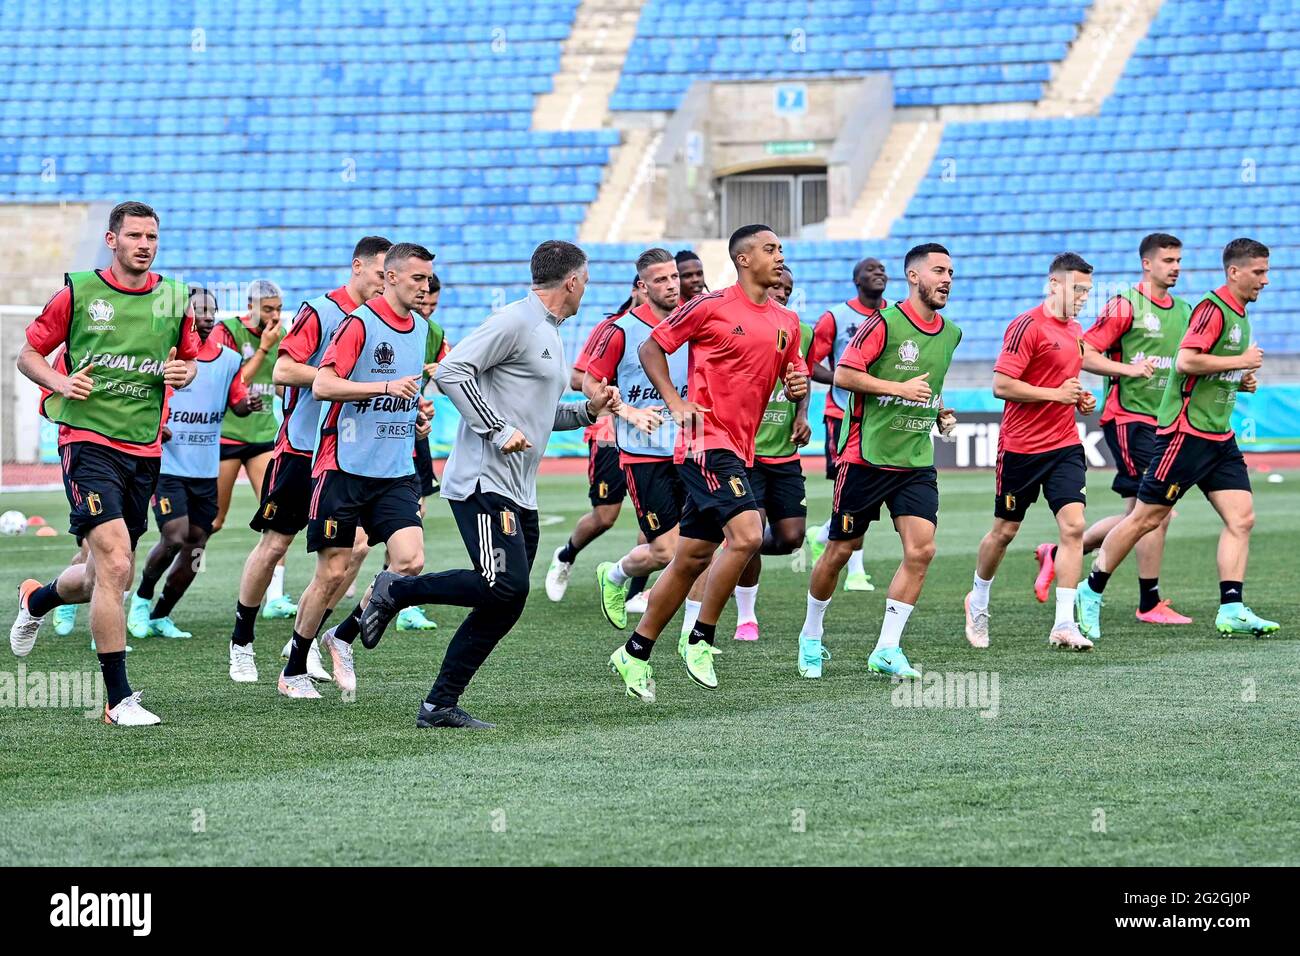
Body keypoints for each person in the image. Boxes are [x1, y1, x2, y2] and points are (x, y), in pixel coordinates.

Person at [357, 240, 620, 728]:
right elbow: (454, 372)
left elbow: (538, 417)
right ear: (573, 281)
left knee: (506, 598)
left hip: (521, 490)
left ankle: (438, 705)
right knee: (504, 585)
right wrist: (497, 429)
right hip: (483, 482)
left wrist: (587, 410)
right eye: (586, 279)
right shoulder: (516, 320)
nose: (587, 287)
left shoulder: (550, 332)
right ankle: (396, 590)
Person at [11, 200, 199, 726]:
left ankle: (38, 599)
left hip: (143, 448)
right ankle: (118, 700)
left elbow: (187, 362)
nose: (145, 244)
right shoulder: (79, 292)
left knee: (100, 576)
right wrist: (59, 381)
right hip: (85, 441)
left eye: (153, 237)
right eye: (135, 235)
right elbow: (27, 355)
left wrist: (183, 375)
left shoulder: (174, 298)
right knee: (117, 565)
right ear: (112, 240)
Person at [606, 224, 809, 703]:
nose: (778, 256)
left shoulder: (787, 320)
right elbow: (650, 346)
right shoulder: (711, 305)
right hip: (703, 441)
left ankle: (634, 652)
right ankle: (700, 638)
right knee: (747, 535)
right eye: (769, 249)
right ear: (742, 259)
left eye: (780, 248)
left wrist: (796, 390)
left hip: (741, 447)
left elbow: (789, 372)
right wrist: (675, 402)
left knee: (691, 557)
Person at [1075, 238, 1278, 640]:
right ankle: (1091, 588)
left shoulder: (1237, 315)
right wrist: (1239, 362)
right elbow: (1187, 360)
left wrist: (1240, 379)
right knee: (1147, 518)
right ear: (1234, 272)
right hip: (1183, 435)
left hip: (1219, 436)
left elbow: (1208, 368)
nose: (1266, 281)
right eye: (1259, 272)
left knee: (1242, 519)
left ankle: (1232, 608)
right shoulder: (1211, 309)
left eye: (1266, 272)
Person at [227, 236, 391, 684]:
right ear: (358, 267)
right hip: (302, 449)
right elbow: (282, 372)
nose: (386, 283)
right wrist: (333, 378)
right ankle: (241, 641)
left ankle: (305, 638)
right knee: (276, 545)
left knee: (355, 548)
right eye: (381, 274)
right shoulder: (320, 311)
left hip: (348, 458)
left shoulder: (386, 321)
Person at [278, 242, 438, 699]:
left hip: (394, 468)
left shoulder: (422, 329)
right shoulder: (357, 324)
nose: (425, 288)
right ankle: (293, 669)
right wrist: (386, 384)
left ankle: (342, 635)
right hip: (343, 466)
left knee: (410, 561)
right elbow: (325, 384)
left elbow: (403, 398)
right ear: (389, 277)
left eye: (428, 280)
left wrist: (418, 415)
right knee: (331, 573)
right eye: (416, 279)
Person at [800, 244, 960, 678]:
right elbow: (847, 375)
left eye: (951, 271)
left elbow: (933, 384)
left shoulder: (952, 333)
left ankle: (887, 649)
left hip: (915, 461)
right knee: (839, 551)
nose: (947, 279)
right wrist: (900, 388)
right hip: (866, 458)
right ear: (913, 276)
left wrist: (940, 411)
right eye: (938, 271)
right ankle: (811, 635)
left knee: (922, 550)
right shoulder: (883, 324)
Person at [1036, 233, 1191, 625]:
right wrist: (1127, 371)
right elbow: (1084, 350)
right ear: (1147, 263)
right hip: (1130, 419)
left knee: (1142, 513)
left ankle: (1058, 553)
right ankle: (1148, 601)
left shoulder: (1186, 310)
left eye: (1178, 260)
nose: (1174, 267)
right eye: (1167, 260)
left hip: (1164, 422)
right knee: (1155, 511)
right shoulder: (1126, 305)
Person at [963, 253, 1097, 652]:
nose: (1083, 297)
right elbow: (1002, 385)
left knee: (1073, 528)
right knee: (1004, 531)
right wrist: (1056, 394)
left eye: (1088, 291)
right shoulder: (1026, 325)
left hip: (1065, 444)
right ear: (1054, 285)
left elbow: (1063, 382)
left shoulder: (1075, 330)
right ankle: (978, 600)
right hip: (1021, 448)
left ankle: (1063, 623)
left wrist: (1078, 398)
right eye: (1078, 289)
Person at [127, 287, 260, 639]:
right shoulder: (163, 354)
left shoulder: (230, 360)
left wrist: (250, 404)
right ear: (183, 315)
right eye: (198, 310)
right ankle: (140, 599)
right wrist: (158, 425)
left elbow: (237, 404)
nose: (206, 317)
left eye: (211, 311)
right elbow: (141, 396)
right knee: (174, 536)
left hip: (205, 471)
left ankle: (161, 615)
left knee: (198, 542)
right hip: (169, 467)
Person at [587, 249, 693, 631]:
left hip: (692, 449)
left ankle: (695, 635)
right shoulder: (621, 330)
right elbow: (589, 381)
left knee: (703, 545)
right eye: (661, 280)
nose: (671, 285)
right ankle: (614, 575)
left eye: (674, 277)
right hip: (643, 454)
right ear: (643, 287)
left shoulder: (695, 322)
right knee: (666, 551)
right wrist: (627, 412)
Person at [544, 278, 649, 605]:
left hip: (653, 434)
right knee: (605, 516)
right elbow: (578, 377)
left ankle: (634, 594)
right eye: (653, 284)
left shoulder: (669, 328)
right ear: (637, 288)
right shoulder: (612, 329)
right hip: (608, 434)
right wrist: (611, 390)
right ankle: (566, 554)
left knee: (655, 515)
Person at [725, 265, 812, 642]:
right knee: (752, 533)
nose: (782, 293)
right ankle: (747, 615)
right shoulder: (743, 324)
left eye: (788, 290)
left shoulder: (798, 329)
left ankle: (727, 557)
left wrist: (803, 414)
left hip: (785, 454)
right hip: (748, 452)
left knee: (792, 537)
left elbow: (802, 376)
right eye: (778, 286)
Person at [211, 278, 299, 619]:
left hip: (264, 435)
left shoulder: (282, 334)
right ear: (251, 307)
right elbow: (236, 382)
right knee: (214, 520)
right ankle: (161, 591)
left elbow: (280, 385)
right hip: (228, 436)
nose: (275, 315)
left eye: (278, 309)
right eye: (268, 309)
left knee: (276, 516)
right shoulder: (229, 331)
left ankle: (274, 597)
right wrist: (263, 348)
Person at [806, 258, 888, 591]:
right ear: (857, 280)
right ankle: (855, 569)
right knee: (852, 488)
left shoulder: (895, 315)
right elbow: (809, 363)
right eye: (871, 270)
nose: (878, 273)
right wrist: (843, 379)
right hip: (842, 414)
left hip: (880, 417)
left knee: (866, 490)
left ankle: (822, 534)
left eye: (882, 269)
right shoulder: (836, 317)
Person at [400, 270, 451, 632]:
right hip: (377, 433)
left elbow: (448, 380)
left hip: (415, 432)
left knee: (416, 511)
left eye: (433, 304)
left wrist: (442, 373)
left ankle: (403, 601)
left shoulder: (434, 333)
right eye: (423, 302)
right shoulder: (381, 323)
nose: (427, 310)